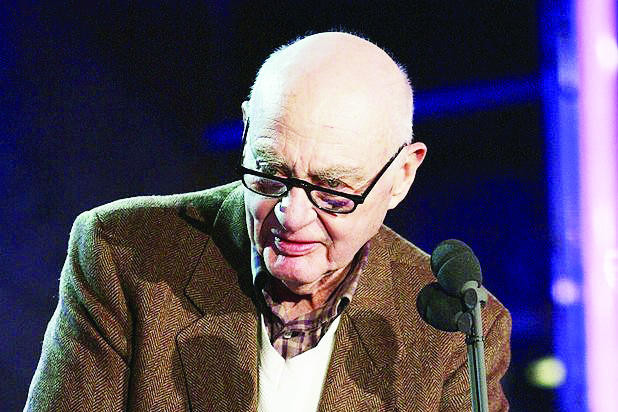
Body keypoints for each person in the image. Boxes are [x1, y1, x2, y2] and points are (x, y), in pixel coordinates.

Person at [25, 32, 511, 411]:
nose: (291, 215)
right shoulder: (124, 254)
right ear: (246, 132)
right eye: (269, 173)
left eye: (332, 190)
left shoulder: (461, 332)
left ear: (402, 175)